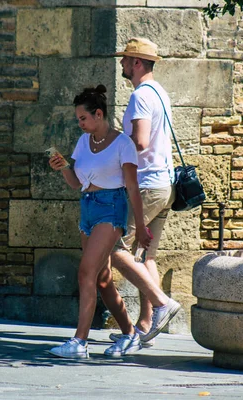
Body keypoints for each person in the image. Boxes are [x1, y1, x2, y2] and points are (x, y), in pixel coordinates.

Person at [47, 85, 152, 359]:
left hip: (112, 208)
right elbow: (76, 183)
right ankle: (130, 334)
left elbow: (132, 187)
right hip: (88, 209)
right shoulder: (84, 142)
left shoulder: (123, 144)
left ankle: (79, 342)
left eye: (82, 118)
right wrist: (63, 169)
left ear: (98, 113)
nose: (79, 123)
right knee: (103, 280)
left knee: (86, 272)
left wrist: (139, 226)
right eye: (78, 119)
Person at [108, 37, 182, 346]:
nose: (122, 63)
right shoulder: (160, 93)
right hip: (165, 185)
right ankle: (147, 323)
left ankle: (162, 304)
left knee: (115, 250)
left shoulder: (140, 96)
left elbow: (139, 142)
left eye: (125, 59)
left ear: (137, 63)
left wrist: (113, 150)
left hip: (147, 184)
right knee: (145, 254)